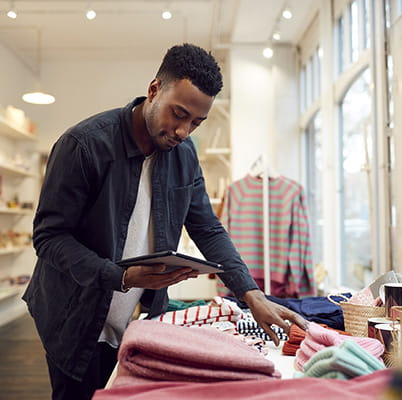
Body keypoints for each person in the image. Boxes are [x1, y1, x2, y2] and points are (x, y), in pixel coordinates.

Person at [23, 43, 307, 400]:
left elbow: (207, 227)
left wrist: (250, 294)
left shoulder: (184, 155)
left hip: (139, 320)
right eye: (178, 114)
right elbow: (50, 238)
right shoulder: (84, 145)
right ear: (154, 89)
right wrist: (121, 277)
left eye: (196, 123)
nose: (184, 131)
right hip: (74, 318)